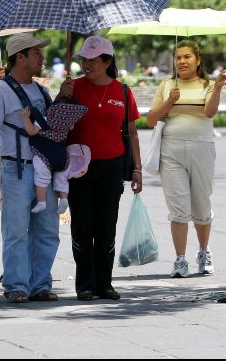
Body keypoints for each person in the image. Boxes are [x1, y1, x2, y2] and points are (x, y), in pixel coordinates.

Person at [0, 33, 73, 303]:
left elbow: (50, 126)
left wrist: (62, 98)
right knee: (16, 231)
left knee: (48, 230)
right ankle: (17, 285)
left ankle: (40, 284)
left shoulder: (41, 91)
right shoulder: (0, 90)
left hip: (45, 170)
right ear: (20, 57)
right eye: (36, 53)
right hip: (16, 169)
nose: (42, 57)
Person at [147, 40, 226, 278]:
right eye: (178, 57)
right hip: (171, 150)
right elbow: (150, 120)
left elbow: (210, 112)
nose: (182, 61)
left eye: (187, 57)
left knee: (201, 203)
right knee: (178, 208)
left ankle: (204, 252)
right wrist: (169, 101)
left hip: (202, 149)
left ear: (198, 60)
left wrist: (218, 87)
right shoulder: (167, 85)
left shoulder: (208, 84)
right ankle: (179, 260)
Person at [67, 35, 142, 301]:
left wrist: (137, 169)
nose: (86, 65)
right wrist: (62, 97)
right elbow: (56, 124)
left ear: (107, 61)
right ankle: (85, 285)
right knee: (82, 227)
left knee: (106, 227)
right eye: (84, 60)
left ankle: (105, 284)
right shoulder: (73, 87)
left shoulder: (123, 92)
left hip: (112, 166)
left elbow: (132, 132)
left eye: (93, 60)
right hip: (79, 167)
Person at [20, 97, 88, 214]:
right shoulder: (68, 124)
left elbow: (31, 131)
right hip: (62, 156)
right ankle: (64, 199)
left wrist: (26, 118)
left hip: (45, 155)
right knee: (62, 178)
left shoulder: (45, 119)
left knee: (42, 177)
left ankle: (41, 202)